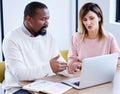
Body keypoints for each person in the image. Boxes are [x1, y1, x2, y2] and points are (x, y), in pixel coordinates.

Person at [2, 2, 68, 94]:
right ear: (29, 19)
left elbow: (59, 63)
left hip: (45, 84)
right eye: (43, 19)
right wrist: (49, 67)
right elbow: (20, 75)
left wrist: (69, 68)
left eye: (48, 19)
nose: (47, 23)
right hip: (19, 88)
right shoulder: (11, 39)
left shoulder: (49, 36)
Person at [68, 2, 120, 74]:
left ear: (99, 17)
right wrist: (75, 65)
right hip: (81, 76)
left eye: (91, 18)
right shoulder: (76, 37)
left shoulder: (109, 37)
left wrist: (93, 65)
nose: (88, 23)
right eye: (85, 19)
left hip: (103, 75)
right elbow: (71, 62)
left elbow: (118, 59)